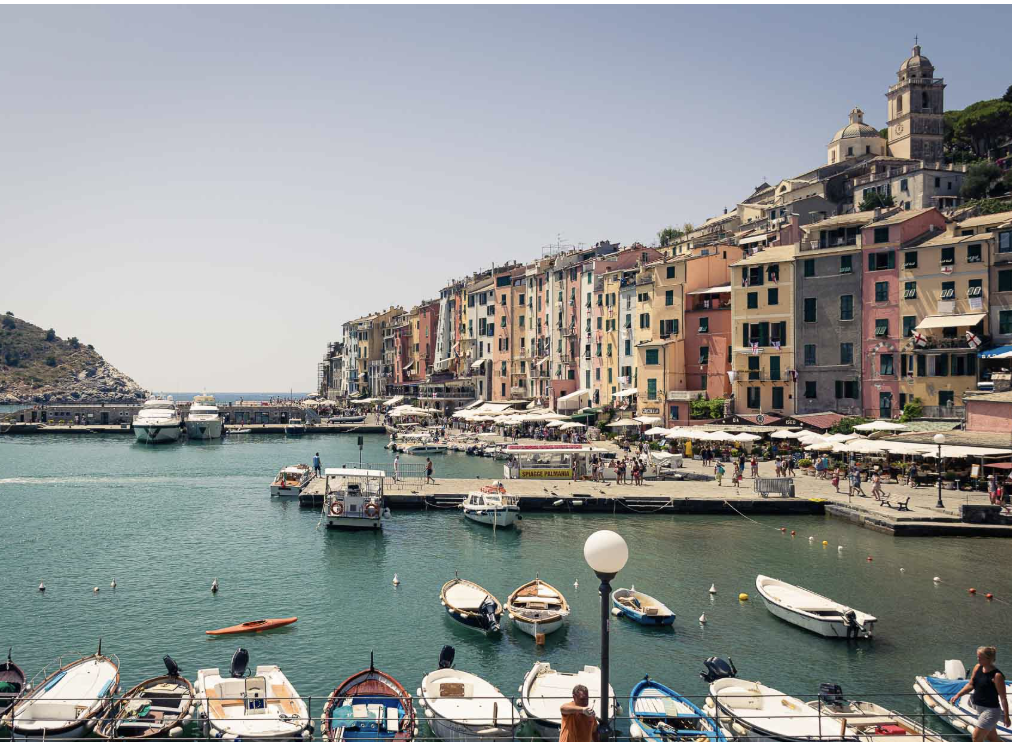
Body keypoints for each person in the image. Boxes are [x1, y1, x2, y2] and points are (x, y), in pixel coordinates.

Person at [950, 646, 1010, 742]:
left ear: (988, 659)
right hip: (979, 709)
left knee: (976, 738)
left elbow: (1003, 698)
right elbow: (970, 685)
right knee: (992, 738)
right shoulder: (977, 668)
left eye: (980, 657)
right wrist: (958, 695)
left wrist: (1006, 717)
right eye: (978, 656)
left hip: (991, 711)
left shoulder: (997, 676)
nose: (978, 659)